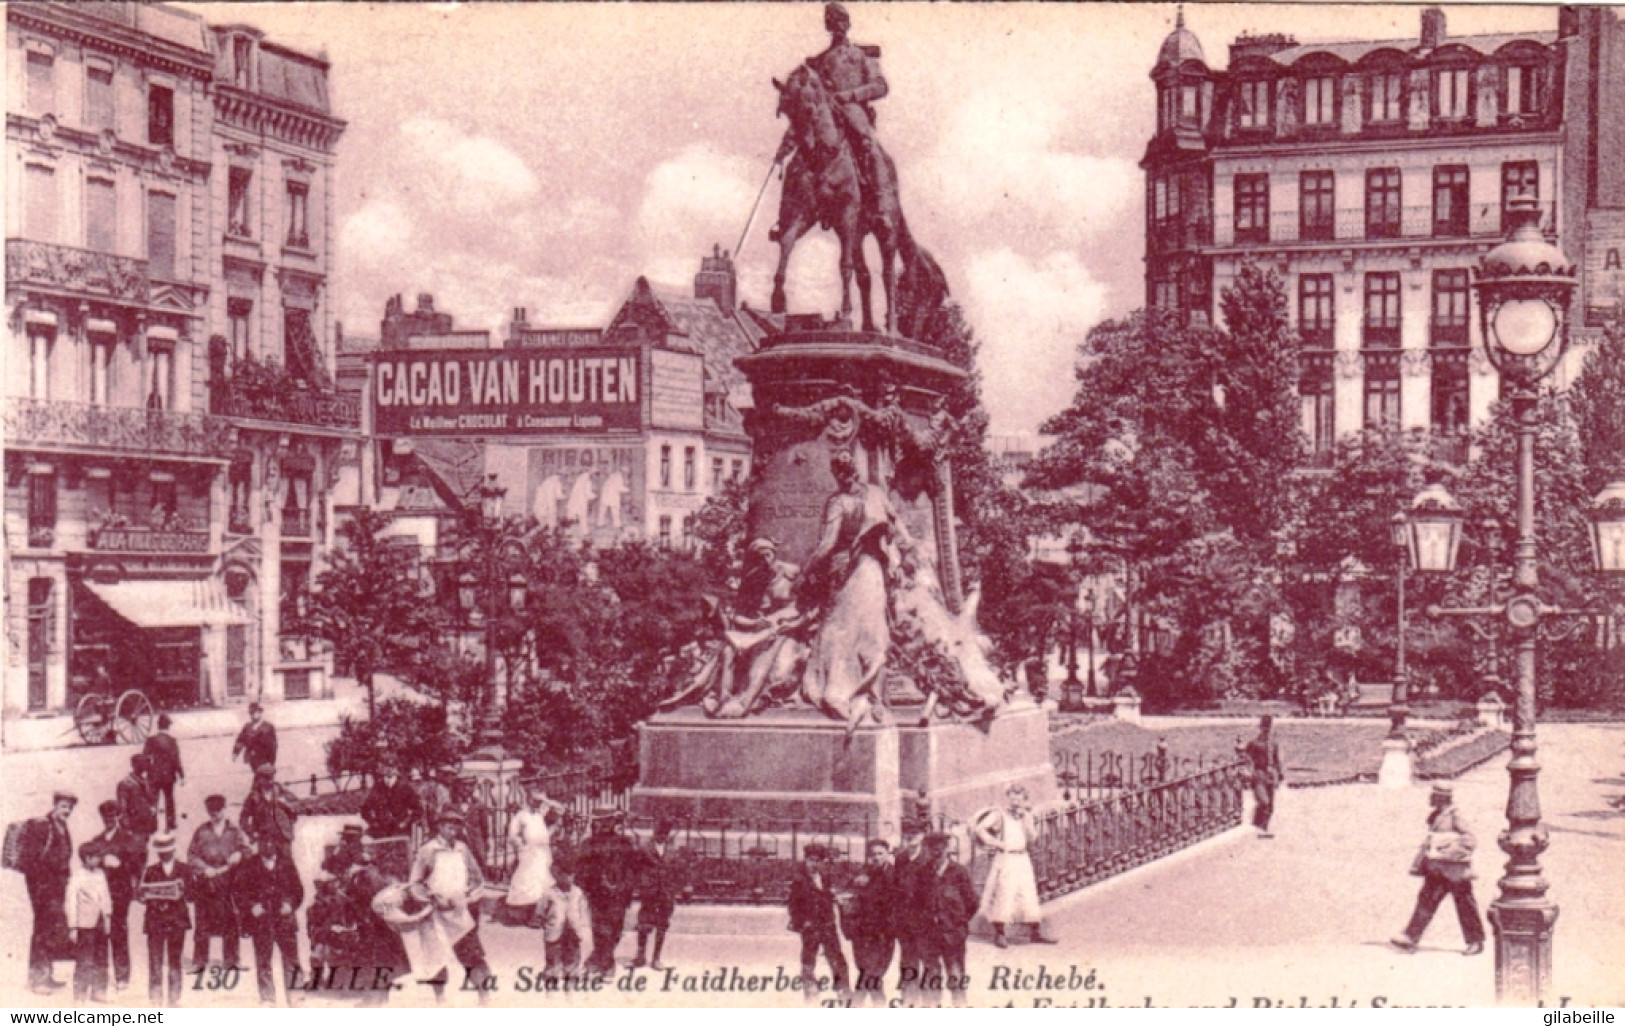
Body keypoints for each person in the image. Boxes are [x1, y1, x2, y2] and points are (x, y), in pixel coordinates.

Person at [1391, 783, 1486, 956]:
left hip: (1455, 872)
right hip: (1436, 869)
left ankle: (1475, 942)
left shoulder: (1455, 816)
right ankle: (1411, 938)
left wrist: (1448, 850)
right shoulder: (1437, 815)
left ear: (1442, 798)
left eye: (1433, 796)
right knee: (1426, 900)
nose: (1430, 798)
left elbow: (1470, 840)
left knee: (1465, 905)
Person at [409, 812, 491, 996]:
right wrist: (430, 898)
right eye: (449, 827)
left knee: (473, 955)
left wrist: (468, 897)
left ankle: (484, 997)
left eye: (457, 827)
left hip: (459, 913)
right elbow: (415, 883)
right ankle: (440, 999)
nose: (453, 832)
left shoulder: (462, 849)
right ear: (439, 826)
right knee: (436, 960)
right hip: (435, 914)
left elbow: (477, 879)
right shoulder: (428, 850)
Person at [972, 785, 1055, 947]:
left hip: (1022, 858)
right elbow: (980, 829)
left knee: (1027, 892)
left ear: (1025, 800)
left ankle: (1034, 932)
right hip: (1006, 858)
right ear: (1008, 798)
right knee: (1005, 892)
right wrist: (996, 842)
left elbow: (1032, 838)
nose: (1016, 802)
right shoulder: (999, 814)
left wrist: (1027, 821)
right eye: (1012, 798)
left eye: (1019, 799)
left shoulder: (1026, 816)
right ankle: (1000, 933)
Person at [83, 800, 144, 993]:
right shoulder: (97, 840)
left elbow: (137, 866)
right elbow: (88, 863)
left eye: (112, 817)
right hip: (100, 894)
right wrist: (101, 862)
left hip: (120, 893)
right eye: (105, 818)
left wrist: (120, 865)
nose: (108, 820)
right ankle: (102, 975)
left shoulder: (128, 838)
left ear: (118, 816)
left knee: (118, 932)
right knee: (100, 933)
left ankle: (122, 976)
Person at [19, 792, 76, 993]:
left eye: (69, 808)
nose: (67, 811)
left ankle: (47, 975)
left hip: (56, 887)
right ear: (54, 805)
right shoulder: (43, 826)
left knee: (50, 929)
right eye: (63, 806)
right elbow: (33, 859)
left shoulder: (62, 826)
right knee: (43, 929)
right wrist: (42, 886)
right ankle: (37, 980)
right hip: (43, 887)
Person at [916, 832, 977, 1007]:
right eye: (931, 848)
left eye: (940, 848)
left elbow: (972, 902)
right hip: (928, 934)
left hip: (953, 934)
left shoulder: (958, 872)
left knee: (955, 975)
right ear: (926, 850)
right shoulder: (922, 873)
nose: (936, 852)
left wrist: (958, 922)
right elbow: (916, 902)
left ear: (947, 849)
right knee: (931, 976)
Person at [186, 794, 246, 971]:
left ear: (225, 809)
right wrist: (204, 869)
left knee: (231, 922)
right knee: (202, 923)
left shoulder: (235, 831)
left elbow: (246, 850)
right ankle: (199, 962)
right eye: (212, 811)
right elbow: (191, 855)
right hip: (207, 883)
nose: (215, 814)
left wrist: (239, 855)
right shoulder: (201, 831)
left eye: (219, 810)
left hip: (229, 882)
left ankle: (232, 961)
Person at [240, 844, 304, 1004]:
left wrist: (290, 904)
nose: (268, 847)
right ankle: (267, 999)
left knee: (291, 959)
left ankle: (295, 995)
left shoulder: (287, 863)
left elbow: (298, 890)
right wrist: (252, 906)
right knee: (263, 961)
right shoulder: (250, 864)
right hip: (261, 921)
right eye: (264, 843)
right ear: (259, 845)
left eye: (271, 843)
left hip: (284, 920)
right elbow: (240, 892)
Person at [576, 813, 638, 975]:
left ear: (613, 821)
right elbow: (581, 868)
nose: (605, 824)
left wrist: (625, 888)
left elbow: (631, 869)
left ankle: (602, 958)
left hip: (619, 893)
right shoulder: (589, 843)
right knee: (599, 928)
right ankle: (606, 963)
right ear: (596, 822)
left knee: (615, 928)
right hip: (597, 893)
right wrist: (586, 889)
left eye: (608, 820)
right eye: (601, 820)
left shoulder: (624, 843)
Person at [787, 844, 850, 1001]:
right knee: (809, 958)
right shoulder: (799, 879)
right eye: (811, 860)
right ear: (806, 860)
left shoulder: (824, 876)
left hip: (828, 924)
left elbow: (826, 895)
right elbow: (793, 905)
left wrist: (834, 897)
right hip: (811, 926)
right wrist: (801, 923)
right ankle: (810, 993)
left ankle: (843, 990)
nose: (814, 864)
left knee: (836, 957)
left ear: (822, 862)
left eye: (817, 860)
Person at [842, 839, 896, 1006]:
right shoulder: (862, 875)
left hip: (883, 934)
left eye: (880, 854)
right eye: (873, 855)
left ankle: (857, 1005)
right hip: (862, 932)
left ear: (888, 854)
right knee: (869, 972)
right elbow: (847, 899)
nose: (876, 858)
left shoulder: (896, 875)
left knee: (872, 971)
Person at [138, 833, 191, 1007]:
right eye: (161, 852)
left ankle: (174, 998)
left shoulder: (184, 869)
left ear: (174, 850)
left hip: (176, 921)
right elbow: (141, 894)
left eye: (167, 851)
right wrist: (143, 896)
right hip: (156, 921)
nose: (164, 855)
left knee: (175, 960)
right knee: (155, 961)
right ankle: (155, 998)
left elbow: (193, 895)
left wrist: (185, 888)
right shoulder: (151, 870)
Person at [499, 783, 560, 927]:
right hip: (529, 854)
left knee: (543, 883)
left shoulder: (539, 815)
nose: (537, 804)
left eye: (539, 801)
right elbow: (513, 836)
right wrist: (522, 848)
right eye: (534, 800)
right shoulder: (521, 816)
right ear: (527, 799)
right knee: (529, 883)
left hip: (542, 853)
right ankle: (528, 915)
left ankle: (537, 915)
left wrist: (547, 800)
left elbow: (560, 809)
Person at [66, 843, 113, 1003]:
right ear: (87, 858)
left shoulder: (100, 874)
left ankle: (99, 990)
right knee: (84, 960)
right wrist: (73, 926)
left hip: (100, 922)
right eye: (96, 857)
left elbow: (105, 896)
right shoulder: (78, 876)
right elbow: (71, 901)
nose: (99, 859)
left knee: (102, 958)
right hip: (85, 924)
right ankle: (80, 994)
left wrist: (107, 917)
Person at [628, 824, 677, 970]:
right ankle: (640, 956)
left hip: (666, 893)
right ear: (654, 832)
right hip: (649, 893)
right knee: (643, 924)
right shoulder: (644, 848)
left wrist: (677, 888)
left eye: (665, 833)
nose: (662, 835)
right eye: (660, 832)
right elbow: (635, 868)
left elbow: (677, 871)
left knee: (662, 925)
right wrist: (640, 885)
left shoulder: (672, 850)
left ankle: (656, 958)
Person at [889, 824, 926, 1001]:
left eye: (915, 833)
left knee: (926, 956)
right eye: (908, 833)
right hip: (904, 917)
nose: (911, 836)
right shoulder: (901, 857)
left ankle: (928, 997)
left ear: (922, 835)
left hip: (923, 917)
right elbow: (895, 886)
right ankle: (909, 995)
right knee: (907, 955)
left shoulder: (928, 858)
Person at [540, 859, 593, 977]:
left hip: (573, 933)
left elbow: (583, 913)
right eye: (564, 875)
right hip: (554, 933)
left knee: (573, 960)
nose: (569, 878)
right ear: (557, 875)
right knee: (553, 961)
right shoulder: (549, 893)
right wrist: (550, 924)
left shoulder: (578, 893)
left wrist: (581, 929)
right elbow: (541, 912)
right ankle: (551, 984)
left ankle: (570, 986)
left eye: (571, 874)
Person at [241, 764, 297, 856]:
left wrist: (287, 808)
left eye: (271, 777)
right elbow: (243, 818)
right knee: (267, 866)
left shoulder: (281, 791)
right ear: (259, 779)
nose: (270, 781)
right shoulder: (253, 797)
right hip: (264, 838)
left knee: (286, 865)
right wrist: (251, 833)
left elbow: (296, 804)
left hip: (283, 836)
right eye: (266, 778)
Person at [1243, 715, 1285, 838]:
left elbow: (1277, 759)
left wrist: (1280, 773)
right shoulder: (1254, 743)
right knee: (1264, 802)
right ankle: (1256, 826)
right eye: (1265, 728)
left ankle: (1263, 829)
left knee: (1270, 806)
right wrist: (1249, 772)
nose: (1267, 730)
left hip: (1271, 775)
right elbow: (1246, 758)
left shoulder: (1274, 743)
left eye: (1269, 728)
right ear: (1261, 728)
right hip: (1259, 774)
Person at [142, 715, 185, 833]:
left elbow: (145, 758)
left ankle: (152, 824)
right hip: (168, 776)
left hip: (154, 775)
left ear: (158, 726)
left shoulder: (150, 740)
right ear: (168, 726)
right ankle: (170, 823)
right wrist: (181, 775)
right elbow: (176, 760)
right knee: (169, 799)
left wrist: (146, 772)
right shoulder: (172, 741)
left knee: (153, 800)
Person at [361, 763, 422, 841]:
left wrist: (406, 822)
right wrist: (373, 822)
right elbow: (365, 809)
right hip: (381, 830)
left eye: (391, 777)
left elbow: (418, 810)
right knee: (365, 840)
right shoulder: (377, 788)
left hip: (400, 830)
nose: (388, 780)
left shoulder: (405, 788)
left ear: (396, 776)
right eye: (385, 777)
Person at [117, 755, 158, 847]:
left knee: (143, 849)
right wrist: (126, 828)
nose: (147, 766)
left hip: (146, 824)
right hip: (134, 825)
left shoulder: (145, 781)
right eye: (144, 763)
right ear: (135, 765)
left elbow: (152, 801)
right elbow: (122, 808)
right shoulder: (125, 783)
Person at [232, 703, 278, 772]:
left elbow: (273, 746)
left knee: (263, 778)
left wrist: (271, 762)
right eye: (251, 713)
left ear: (260, 713)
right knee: (257, 774)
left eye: (255, 712)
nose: (253, 715)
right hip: (252, 758)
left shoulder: (268, 727)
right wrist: (235, 753)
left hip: (264, 758)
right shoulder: (247, 727)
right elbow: (241, 740)